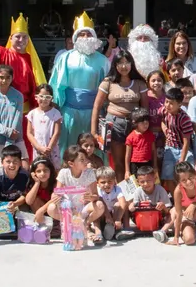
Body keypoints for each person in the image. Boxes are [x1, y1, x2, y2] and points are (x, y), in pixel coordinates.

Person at [0, 1, 46, 116]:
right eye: (17, 36)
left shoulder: (32, 59)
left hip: (28, 114)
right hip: (6, 112)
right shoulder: (2, 53)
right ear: (10, 39)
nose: (21, 40)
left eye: (24, 37)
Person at [49, 11, 110, 152]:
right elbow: (56, 85)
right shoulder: (65, 58)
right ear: (75, 37)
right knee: (70, 148)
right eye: (82, 34)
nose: (85, 37)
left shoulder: (103, 61)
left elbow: (108, 87)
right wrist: (55, 108)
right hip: (69, 112)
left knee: (92, 149)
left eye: (88, 34)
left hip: (94, 112)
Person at [93, 49, 148, 180]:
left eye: (127, 62)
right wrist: (94, 132)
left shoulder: (140, 83)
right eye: (120, 63)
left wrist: (145, 128)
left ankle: (135, 195)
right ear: (115, 65)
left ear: (132, 64)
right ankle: (122, 194)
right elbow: (96, 107)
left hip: (135, 127)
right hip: (115, 125)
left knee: (134, 162)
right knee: (118, 163)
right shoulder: (108, 82)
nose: (124, 66)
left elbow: (145, 108)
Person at [49, 145, 105, 244]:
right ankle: (69, 225)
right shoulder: (63, 173)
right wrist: (55, 197)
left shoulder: (89, 173)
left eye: (86, 159)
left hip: (83, 209)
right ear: (71, 163)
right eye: (82, 160)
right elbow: (57, 193)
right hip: (68, 210)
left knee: (100, 205)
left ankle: (85, 224)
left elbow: (96, 195)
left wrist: (91, 197)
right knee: (51, 208)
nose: (86, 161)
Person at [157, 161, 196, 246]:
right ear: (179, 182)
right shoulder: (178, 191)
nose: (188, 182)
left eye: (191, 177)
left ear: (195, 174)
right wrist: (176, 238)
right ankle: (184, 230)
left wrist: (194, 204)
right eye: (183, 180)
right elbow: (179, 214)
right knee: (189, 240)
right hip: (186, 216)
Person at [0, 64, 27, 172]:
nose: (4, 80)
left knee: (24, 165)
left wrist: (11, 138)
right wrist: (7, 132)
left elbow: (18, 117)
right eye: (1, 77)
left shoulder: (18, 96)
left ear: (12, 78)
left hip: (15, 137)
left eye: (8, 77)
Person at [0, 145, 31, 239]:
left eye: (15, 161)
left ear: (20, 162)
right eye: (8, 162)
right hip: (3, 205)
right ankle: (9, 223)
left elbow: (25, 195)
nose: (12, 165)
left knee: (24, 224)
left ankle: (19, 222)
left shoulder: (25, 175)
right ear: (2, 162)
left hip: (19, 203)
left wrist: (15, 204)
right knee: (6, 230)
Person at [160, 87, 194, 190]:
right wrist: (166, 131)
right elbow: (162, 121)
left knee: (188, 175)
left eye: (171, 103)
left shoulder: (184, 119)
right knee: (168, 176)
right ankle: (176, 201)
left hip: (183, 149)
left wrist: (182, 158)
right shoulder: (164, 111)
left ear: (179, 104)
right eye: (166, 102)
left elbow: (186, 141)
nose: (167, 105)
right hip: (170, 148)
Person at [26, 84, 62, 166]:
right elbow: (29, 133)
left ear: (51, 98)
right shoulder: (32, 114)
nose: (44, 99)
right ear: (36, 97)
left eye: (47, 97)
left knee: (53, 169)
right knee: (39, 167)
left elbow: (57, 132)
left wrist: (49, 148)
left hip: (52, 150)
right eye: (41, 96)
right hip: (37, 149)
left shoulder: (55, 113)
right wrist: (39, 147)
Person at [128, 165, 172, 231]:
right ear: (138, 182)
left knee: (173, 211)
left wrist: (163, 207)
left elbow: (167, 211)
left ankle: (163, 229)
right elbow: (134, 209)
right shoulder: (138, 191)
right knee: (127, 205)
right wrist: (132, 207)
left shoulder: (160, 190)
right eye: (142, 182)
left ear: (155, 179)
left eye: (148, 181)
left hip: (159, 220)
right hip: (142, 219)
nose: (145, 184)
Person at [95, 166, 128, 240]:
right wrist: (108, 217)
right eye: (103, 182)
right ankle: (99, 231)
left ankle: (116, 229)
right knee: (97, 206)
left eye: (110, 181)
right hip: (102, 214)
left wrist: (118, 219)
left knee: (118, 205)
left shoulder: (117, 188)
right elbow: (102, 203)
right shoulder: (97, 190)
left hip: (113, 215)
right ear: (97, 183)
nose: (106, 184)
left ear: (114, 181)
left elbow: (123, 203)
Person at [125, 108, 157, 177]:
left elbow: (153, 151)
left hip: (148, 164)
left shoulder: (150, 135)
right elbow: (128, 155)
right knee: (137, 184)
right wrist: (127, 171)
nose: (145, 125)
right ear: (135, 123)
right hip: (135, 165)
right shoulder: (131, 137)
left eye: (147, 122)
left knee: (149, 181)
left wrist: (155, 166)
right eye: (142, 123)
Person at [25, 158, 58, 226]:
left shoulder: (56, 182)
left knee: (53, 204)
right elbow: (29, 201)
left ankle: (55, 224)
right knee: (35, 200)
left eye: (45, 170)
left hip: (53, 211)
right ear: (34, 173)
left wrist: (42, 210)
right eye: (38, 171)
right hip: (40, 214)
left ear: (50, 171)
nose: (42, 173)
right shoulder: (33, 183)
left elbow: (56, 199)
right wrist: (37, 183)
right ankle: (41, 224)